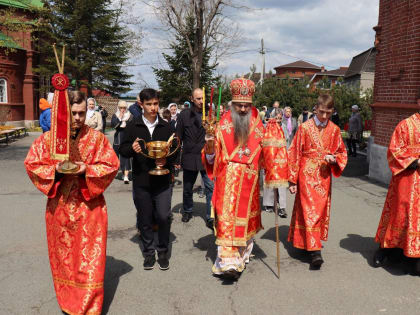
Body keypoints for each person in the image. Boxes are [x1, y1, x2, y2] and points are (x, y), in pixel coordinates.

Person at [24, 91, 119, 315]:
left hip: (91, 209)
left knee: (89, 261)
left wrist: (89, 169)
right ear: (64, 112)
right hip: (60, 208)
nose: (77, 118)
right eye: (73, 113)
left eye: (82, 113)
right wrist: (55, 171)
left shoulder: (96, 138)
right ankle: (68, 303)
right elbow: (32, 164)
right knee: (64, 260)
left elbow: (111, 165)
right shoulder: (48, 139)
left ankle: (89, 307)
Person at [202, 78, 288, 280]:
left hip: (249, 183)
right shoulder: (221, 124)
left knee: (244, 222)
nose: (242, 109)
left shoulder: (260, 124)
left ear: (251, 104)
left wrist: (275, 136)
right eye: (238, 105)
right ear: (232, 104)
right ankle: (228, 263)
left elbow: (269, 153)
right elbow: (210, 158)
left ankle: (239, 257)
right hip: (226, 180)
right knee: (226, 220)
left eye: (246, 105)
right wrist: (209, 148)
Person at [119, 88, 179, 270]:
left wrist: (166, 159)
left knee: (162, 216)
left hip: (163, 182)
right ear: (141, 105)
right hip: (142, 181)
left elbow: (176, 149)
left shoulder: (166, 126)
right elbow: (122, 149)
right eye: (149, 104)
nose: (153, 108)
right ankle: (148, 253)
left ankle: (162, 250)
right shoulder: (133, 125)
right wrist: (132, 149)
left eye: (155, 104)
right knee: (145, 219)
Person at [288, 94, 347, 270]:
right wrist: (292, 180)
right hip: (306, 175)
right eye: (321, 112)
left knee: (319, 211)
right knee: (308, 210)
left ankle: (305, 243)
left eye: (328, 113)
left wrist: (334, 158)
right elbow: (294, 152)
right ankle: (315, 251)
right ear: (316, 108)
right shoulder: (304, 128)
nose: (324, 116)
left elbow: (342, 152)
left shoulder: (335, 130)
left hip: (323, 176)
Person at [373, 111, 420, 274]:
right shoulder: (405, 125)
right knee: (399, 215)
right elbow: (394, 151)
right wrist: (416, 161)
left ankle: (413, 256)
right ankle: (387, 249)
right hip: (406, 181)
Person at [176, 88, 214, 227]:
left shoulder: (210, 114)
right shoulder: (184, 115)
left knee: (210, 187)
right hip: (190, 155)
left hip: (206, 155)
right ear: (192, 99)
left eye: (203, 98)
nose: (201, 101)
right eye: (198, 99)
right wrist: (176, 159)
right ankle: (187, 210)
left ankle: (210, 216)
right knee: (187, 187)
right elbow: (178, 137)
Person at [262, 107, 288, 218]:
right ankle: (268, 203)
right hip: (269, 158)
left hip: (281, 159)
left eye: (280, 118)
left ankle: (282, 207)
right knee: (268, 180)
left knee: (282, 185)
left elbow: (287, 140)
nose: (278, 121)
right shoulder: (266, 127)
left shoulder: (284, 127)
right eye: (276, 118)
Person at [111, 100, 132, 184]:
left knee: (126, 156)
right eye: (121, 108)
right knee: (117, 157)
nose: (122, 109)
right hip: (118, 136)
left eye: (124, 107)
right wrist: (120, 118)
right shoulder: (115, 115)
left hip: (127, 136)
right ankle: (122, 172)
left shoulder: (130, 116)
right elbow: (114, 125)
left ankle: (126, 176)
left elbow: (132, 126)